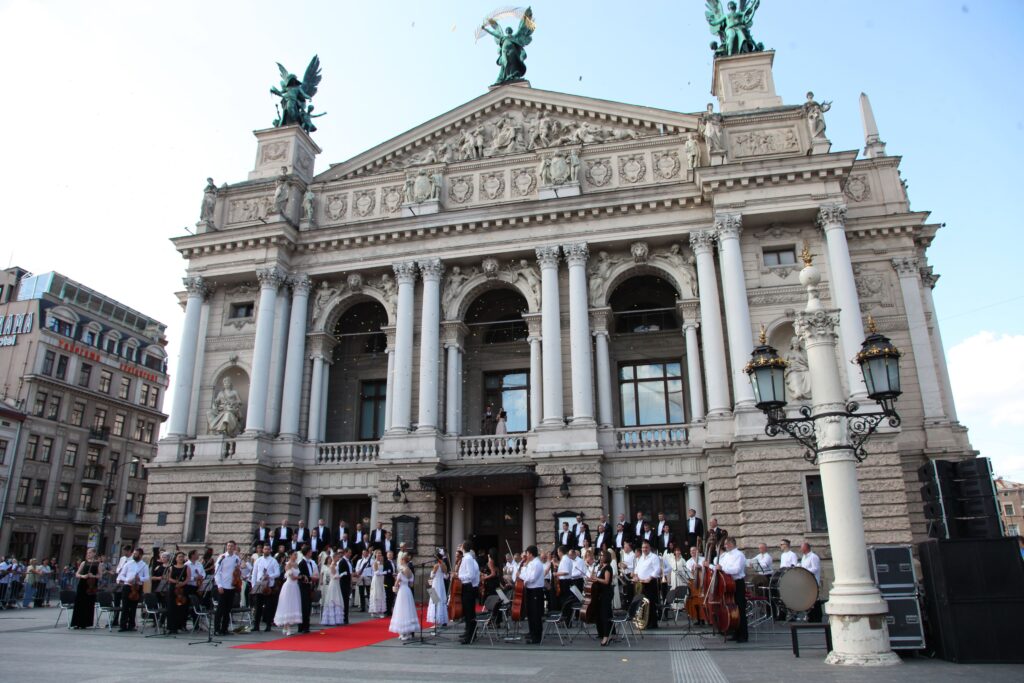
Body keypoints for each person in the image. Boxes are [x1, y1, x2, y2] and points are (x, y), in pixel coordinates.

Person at [716, 538, 748, 643]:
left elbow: (736, 570)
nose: (725, 546)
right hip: (728, 583)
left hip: (737, 583)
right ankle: (735, 632)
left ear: (731, 544)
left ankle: (743, 635)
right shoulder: (726, 556)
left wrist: (722, 569)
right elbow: (720, 566)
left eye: (726, 544)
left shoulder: (739, 555)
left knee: (740, 608)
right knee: (732, 609)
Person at [114, 547, 149, 632]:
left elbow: (147, 577)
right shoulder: (128, 564)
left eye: (136, 554)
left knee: (133, 607)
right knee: (125, 606)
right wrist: (127, 580)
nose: (134, 555)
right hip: (127, 586)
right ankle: (123, 625)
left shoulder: (144, 565)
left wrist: (140, 578)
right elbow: (121, 575)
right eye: (134, 554)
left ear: (140, 555)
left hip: (137, 587)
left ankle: (131, 625)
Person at [213, 541, 240, 636]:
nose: (230, 547)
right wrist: (219, 585)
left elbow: (239, 570)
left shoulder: (236, 558)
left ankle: (224, 629)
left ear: (234, 547)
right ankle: (216, 629)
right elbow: (217, 572)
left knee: (228, 610)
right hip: (223, 586)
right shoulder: (222, 557)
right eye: (228, 546)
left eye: (232, 546)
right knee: (220, 609)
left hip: (232, 586)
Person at [389, 554, 419, 640]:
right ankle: (407, 633)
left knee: (401, 610)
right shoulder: (410, 571)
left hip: (402, 591)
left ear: (403, 560)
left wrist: (396, 583)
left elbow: (396, 584)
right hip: (407, 591)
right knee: (408, 609)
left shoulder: (401, 572)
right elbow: (411, 584)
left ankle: (403, 633)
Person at [252, 543, 280, 632]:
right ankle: (256, 625)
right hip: (259, 585)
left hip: (269, 586)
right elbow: (254, 573)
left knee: (269, 607)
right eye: (265, 549)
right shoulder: (258, 560)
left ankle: (268, 625)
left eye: (268, 549)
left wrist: (270, 576)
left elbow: (277, 573)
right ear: (262, 550)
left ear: (270, 550)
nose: (266, 550)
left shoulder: (273, 561)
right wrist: (253, 585)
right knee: (258, 606)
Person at [520, 545, 545, 644]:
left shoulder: (537, 564)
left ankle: (537, 637)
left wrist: (523, 578)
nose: (526, 555)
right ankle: (532, 632)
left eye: (527, 553)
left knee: (535, 614)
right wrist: (522, 571)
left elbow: (532, 577)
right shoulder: (530, 563)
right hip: (530, 590)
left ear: (530, 554)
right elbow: (526, 574)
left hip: (536, 590)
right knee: (530, 613)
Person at [71, 549, 101, 629]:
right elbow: (77, 574)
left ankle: (85, 623)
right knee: (79, 603)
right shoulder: (84, 563)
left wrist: (93, 576)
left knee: (88, 603)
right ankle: (77, 623)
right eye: (87, 553)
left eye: (90, 553)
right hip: (82, 584)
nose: (88, 554)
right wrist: (83, 576)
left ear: (94, 553)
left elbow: (100, 575)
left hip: (92, 585)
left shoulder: (98, 564)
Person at [634, 541, 662, 629]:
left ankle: (652, 623)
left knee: (650, 603)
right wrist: (636, 576)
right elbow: (637, 569)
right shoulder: (641, 558)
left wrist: (650, 578)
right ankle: (644, 622)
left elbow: (657, 569)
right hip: (642, 583)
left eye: (646, 547)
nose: (644, 549)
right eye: (643, 547)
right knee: (642, 603)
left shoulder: (654, 557)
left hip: (650, 583)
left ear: (649, 548)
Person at [458, 540, 481, 645]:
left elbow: (471, 575)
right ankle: (470, 633)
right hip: (467, 587)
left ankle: (469, 636)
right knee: (468, 612)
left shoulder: (468, 559)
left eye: (461, 546)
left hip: (468, 587)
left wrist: (459, 576)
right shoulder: (466, 558)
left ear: (463, 547)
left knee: (469, 613)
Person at [274, 553, 302, 635]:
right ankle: (287, 627)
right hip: (289, 586)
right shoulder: (288, 564)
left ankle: (286, 626)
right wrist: (300, 577)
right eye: (294, 555)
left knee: (293, 605)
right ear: (290, 555)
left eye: (296, 555)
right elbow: (292, 577)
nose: (295, 556)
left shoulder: (296, 564)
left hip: (295, 586)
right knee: (287, 605)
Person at [592, 549, 615, 646]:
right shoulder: (602, 567)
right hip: (601, 593)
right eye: (600, 555)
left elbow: (606, 581)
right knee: (602, 614)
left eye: (602, 555)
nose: (600, 557)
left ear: (606, 557)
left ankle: (606, 636)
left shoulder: (608, 568)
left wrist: (597, 579)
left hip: (606, 594)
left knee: (605, 614)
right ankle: (606, 633)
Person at [166, 552, 191, 634]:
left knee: (181, 608)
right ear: (176, 558)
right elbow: (168, 578)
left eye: (182, 557)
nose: (181, 558)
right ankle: (171, 627)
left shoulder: (186, 567)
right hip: (173, 589)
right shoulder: (171, 567)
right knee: (172, 608)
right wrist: (175, 581)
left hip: (183, 589)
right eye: (179, 557)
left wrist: (182, 583)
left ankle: (180, 625)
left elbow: (188, 578)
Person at [297, 546, 319, 632]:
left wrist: (313, 578)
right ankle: (303, 626)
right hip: (303, 587)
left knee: (308, 606)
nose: (311, 553)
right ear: (307, 552)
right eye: (310, 551)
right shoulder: (301, 563)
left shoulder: (310, 562)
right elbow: (301, 576)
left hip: (309, 586)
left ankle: (306, 625)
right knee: (304, 607)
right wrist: (311, 578)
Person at [320, 554, 345, 626]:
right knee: (333, 598)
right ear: (334, 557)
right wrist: (341, 575)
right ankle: (331, 619)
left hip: (336, 583)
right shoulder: (332, 565)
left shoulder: (335, 564)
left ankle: (337, 619)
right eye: (337, 557)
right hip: (333, 583)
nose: (338, 558)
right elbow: (334, 576)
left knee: (336, 598)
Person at [800, 542, 823, 622]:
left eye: (801, 547)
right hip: (806, 581)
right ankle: (810, 616)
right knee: (809, 599)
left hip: (813, 581)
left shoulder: (813, 557)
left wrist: (804, 570)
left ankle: (817, 617)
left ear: (806, 548)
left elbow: (815, 568)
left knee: (815, 599)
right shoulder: (804, 557)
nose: (800, 549)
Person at [427, 549, 449, 628]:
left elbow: (432, 575)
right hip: (441, 584)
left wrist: (431, 574)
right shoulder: (444, 565)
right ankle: (443, 620)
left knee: (435, 601)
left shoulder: (436, 565)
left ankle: (436, 621)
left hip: (435, 584)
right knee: (441, 600)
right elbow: (446, 576)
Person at [368, 549, 387, 616]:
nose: (379, 555)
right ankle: (375, 610)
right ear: (375, 555)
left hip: (381, 579)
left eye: (380, 553)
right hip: (376, 579)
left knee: (381, 593)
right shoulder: (375, 562)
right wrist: (383, 573)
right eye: (378, 553)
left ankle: (380, 610)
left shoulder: (381, 562)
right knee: (376, 594)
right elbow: (376, 572)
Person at [338, 549, 353, 624]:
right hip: (343, 583)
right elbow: (340, 573)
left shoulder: (349, 561)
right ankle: (344, 618)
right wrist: (347, 573)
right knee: (344, 600)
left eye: (350, 553)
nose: (350, 554)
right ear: (345, 553)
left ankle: (346, 617)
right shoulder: (342, 562)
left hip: (347, 583)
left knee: (346, 600)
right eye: (349, 552)